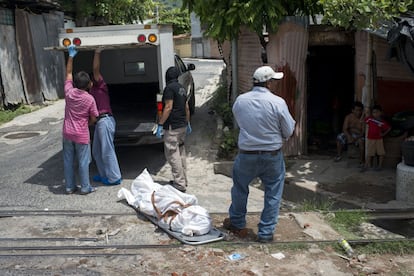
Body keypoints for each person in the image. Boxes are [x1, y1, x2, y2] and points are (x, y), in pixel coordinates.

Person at [224, 65, 296, 243]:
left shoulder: (240, 100)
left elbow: (240, 122)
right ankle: (265, 233)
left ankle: (237, 223)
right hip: (272, 155)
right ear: (269, 83)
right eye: (274, 81)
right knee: (273, 193)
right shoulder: (278, 102)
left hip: (247, 153)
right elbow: (288, 131)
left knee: (240, 189)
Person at [63, 45, 99, 195]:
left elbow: (69, 73)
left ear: (76, 84)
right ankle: (85, 187)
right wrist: (88, 124)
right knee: (84, 162)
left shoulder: (69, 93)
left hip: (67, 133)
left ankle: (70, 187)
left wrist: (71, 56)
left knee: (68, 161)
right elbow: (94, 118)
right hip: (81, 134)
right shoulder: (90, 99)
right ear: (88, 85)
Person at [155, 66, 192, 193]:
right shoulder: (182, 88)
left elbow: (168, 107)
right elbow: (186, 107)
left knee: (172, 154)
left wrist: (160, 124)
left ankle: (179, 183)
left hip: (172, 127)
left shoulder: (169, 89)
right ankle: (183, 180)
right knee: (181, 152)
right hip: (182, 126)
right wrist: (187, 122)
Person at [89, 48, 122, 186]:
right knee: (96, 151)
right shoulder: (89, 92)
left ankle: (114, 177)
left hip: (105, 120)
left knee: (107, 150)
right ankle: (104, 175)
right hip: (99, 122)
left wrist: (97, 52)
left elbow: (96, 69)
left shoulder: (100, 86)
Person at [361, 104, 391, 171]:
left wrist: (383, 134)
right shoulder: (370, 119)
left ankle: (380, 166)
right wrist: (364, 113)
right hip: (370, 139)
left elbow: (389, 128)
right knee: (369, 153)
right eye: (374, 112)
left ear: (380, 112)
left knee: (381, 153)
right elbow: (362, 121)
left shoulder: (382, 122)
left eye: (377, 112)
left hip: (379, 139)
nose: (375, 114)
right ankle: (366, 166)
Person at [334, 101, 364, 165]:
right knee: (339, 137)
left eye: (360, 110)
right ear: (352, 110)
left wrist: (356, 138)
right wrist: (349, 136)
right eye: (357, 110)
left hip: (359, 136)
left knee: (361, 142)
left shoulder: (363, 118)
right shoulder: (348, 117)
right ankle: (339, 155)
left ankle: (361, 160)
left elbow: (363, 132)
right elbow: (344, 129)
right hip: (349, 134)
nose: (359, 112)